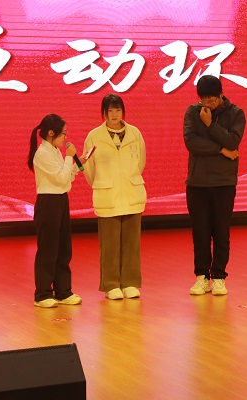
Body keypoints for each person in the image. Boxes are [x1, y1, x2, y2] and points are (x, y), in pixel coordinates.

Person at [184, 75, 246, 296]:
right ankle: (201, 277)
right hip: (198, 182)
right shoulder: (193, 112)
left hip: (223, 182)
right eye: (203, 100)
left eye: (211, 100)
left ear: (221, 94)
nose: (207, 104)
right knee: (200, 232)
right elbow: (191, 141)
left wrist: (211, 125)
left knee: (221, 231)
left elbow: (233, 141)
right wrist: (220, 150)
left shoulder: (236, 113)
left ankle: (219, 277)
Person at [83, 94, 146, 300]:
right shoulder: (94, 136)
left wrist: (128, 179)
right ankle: (111, 284)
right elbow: (89, 168)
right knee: (109, 244)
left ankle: (129, 282)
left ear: (123, 112)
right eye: (110, 110)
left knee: (131, 243)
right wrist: (102, 183)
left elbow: (140, 162)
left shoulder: (135, 133)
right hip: (107, 195)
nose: (114, 114)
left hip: (131, 193)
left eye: (118, 110)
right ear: (104, 113)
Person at [28, 114, 83, 308]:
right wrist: (69, 157)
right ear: (51, 133)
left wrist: (77, 165)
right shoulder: (42, 153)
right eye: (63, 134)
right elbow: (60, 179)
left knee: (63, 248)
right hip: (48, 202)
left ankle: (63, 291)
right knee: (48, 249)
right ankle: (42, 294)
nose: (65, 138)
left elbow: (64, 178)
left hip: (61, 200)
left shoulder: (55, 151)